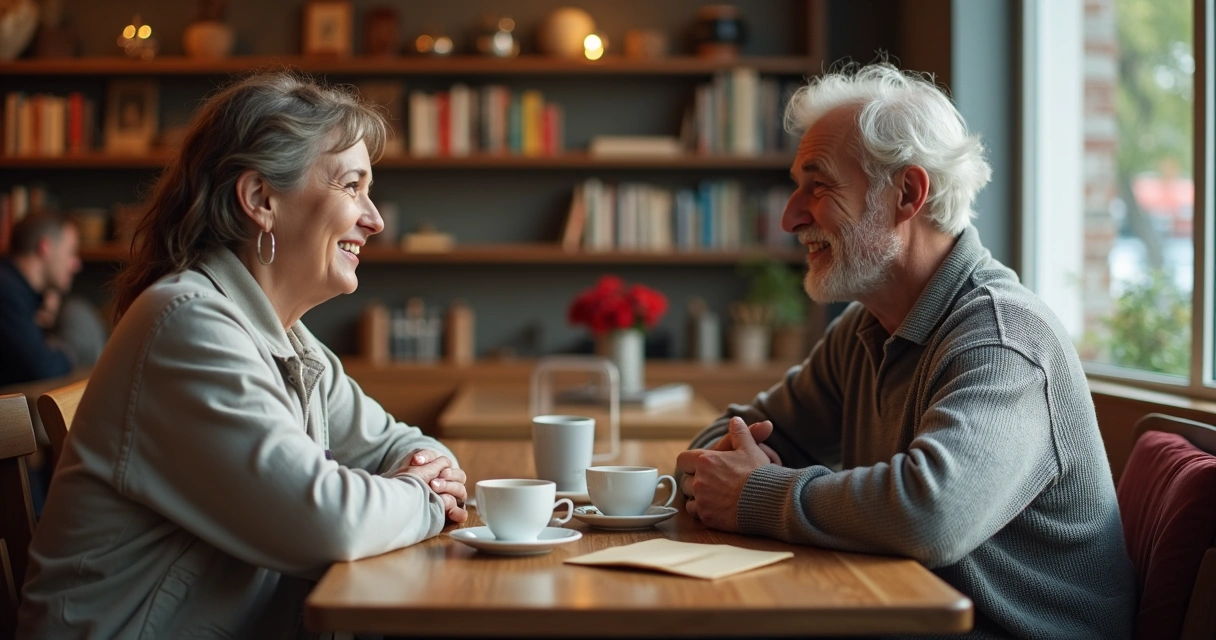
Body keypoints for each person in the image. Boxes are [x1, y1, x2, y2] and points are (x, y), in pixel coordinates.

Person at [675, 62, 1136, 639]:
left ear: (908, 194)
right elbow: (732, 435)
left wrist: (755, 492)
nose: (791, 217)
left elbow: (932, 514)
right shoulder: (865, 328)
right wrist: (723, 471)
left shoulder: (1003, 338)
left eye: (819, 186)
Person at [18, 71, 468, 638]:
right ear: (260, 199)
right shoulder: (187, 326)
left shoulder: (287, 337)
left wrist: (420, 478)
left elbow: (403, 446)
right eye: (352, 186)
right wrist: (424, 497)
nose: (374, 219)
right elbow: (328, 523)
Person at [0, 211, 82, 386]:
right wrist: (67, 355)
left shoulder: (17, 290)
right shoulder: (6, 291)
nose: (76, 265)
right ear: (45, 247)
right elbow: (42, 368)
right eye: (71, 252)